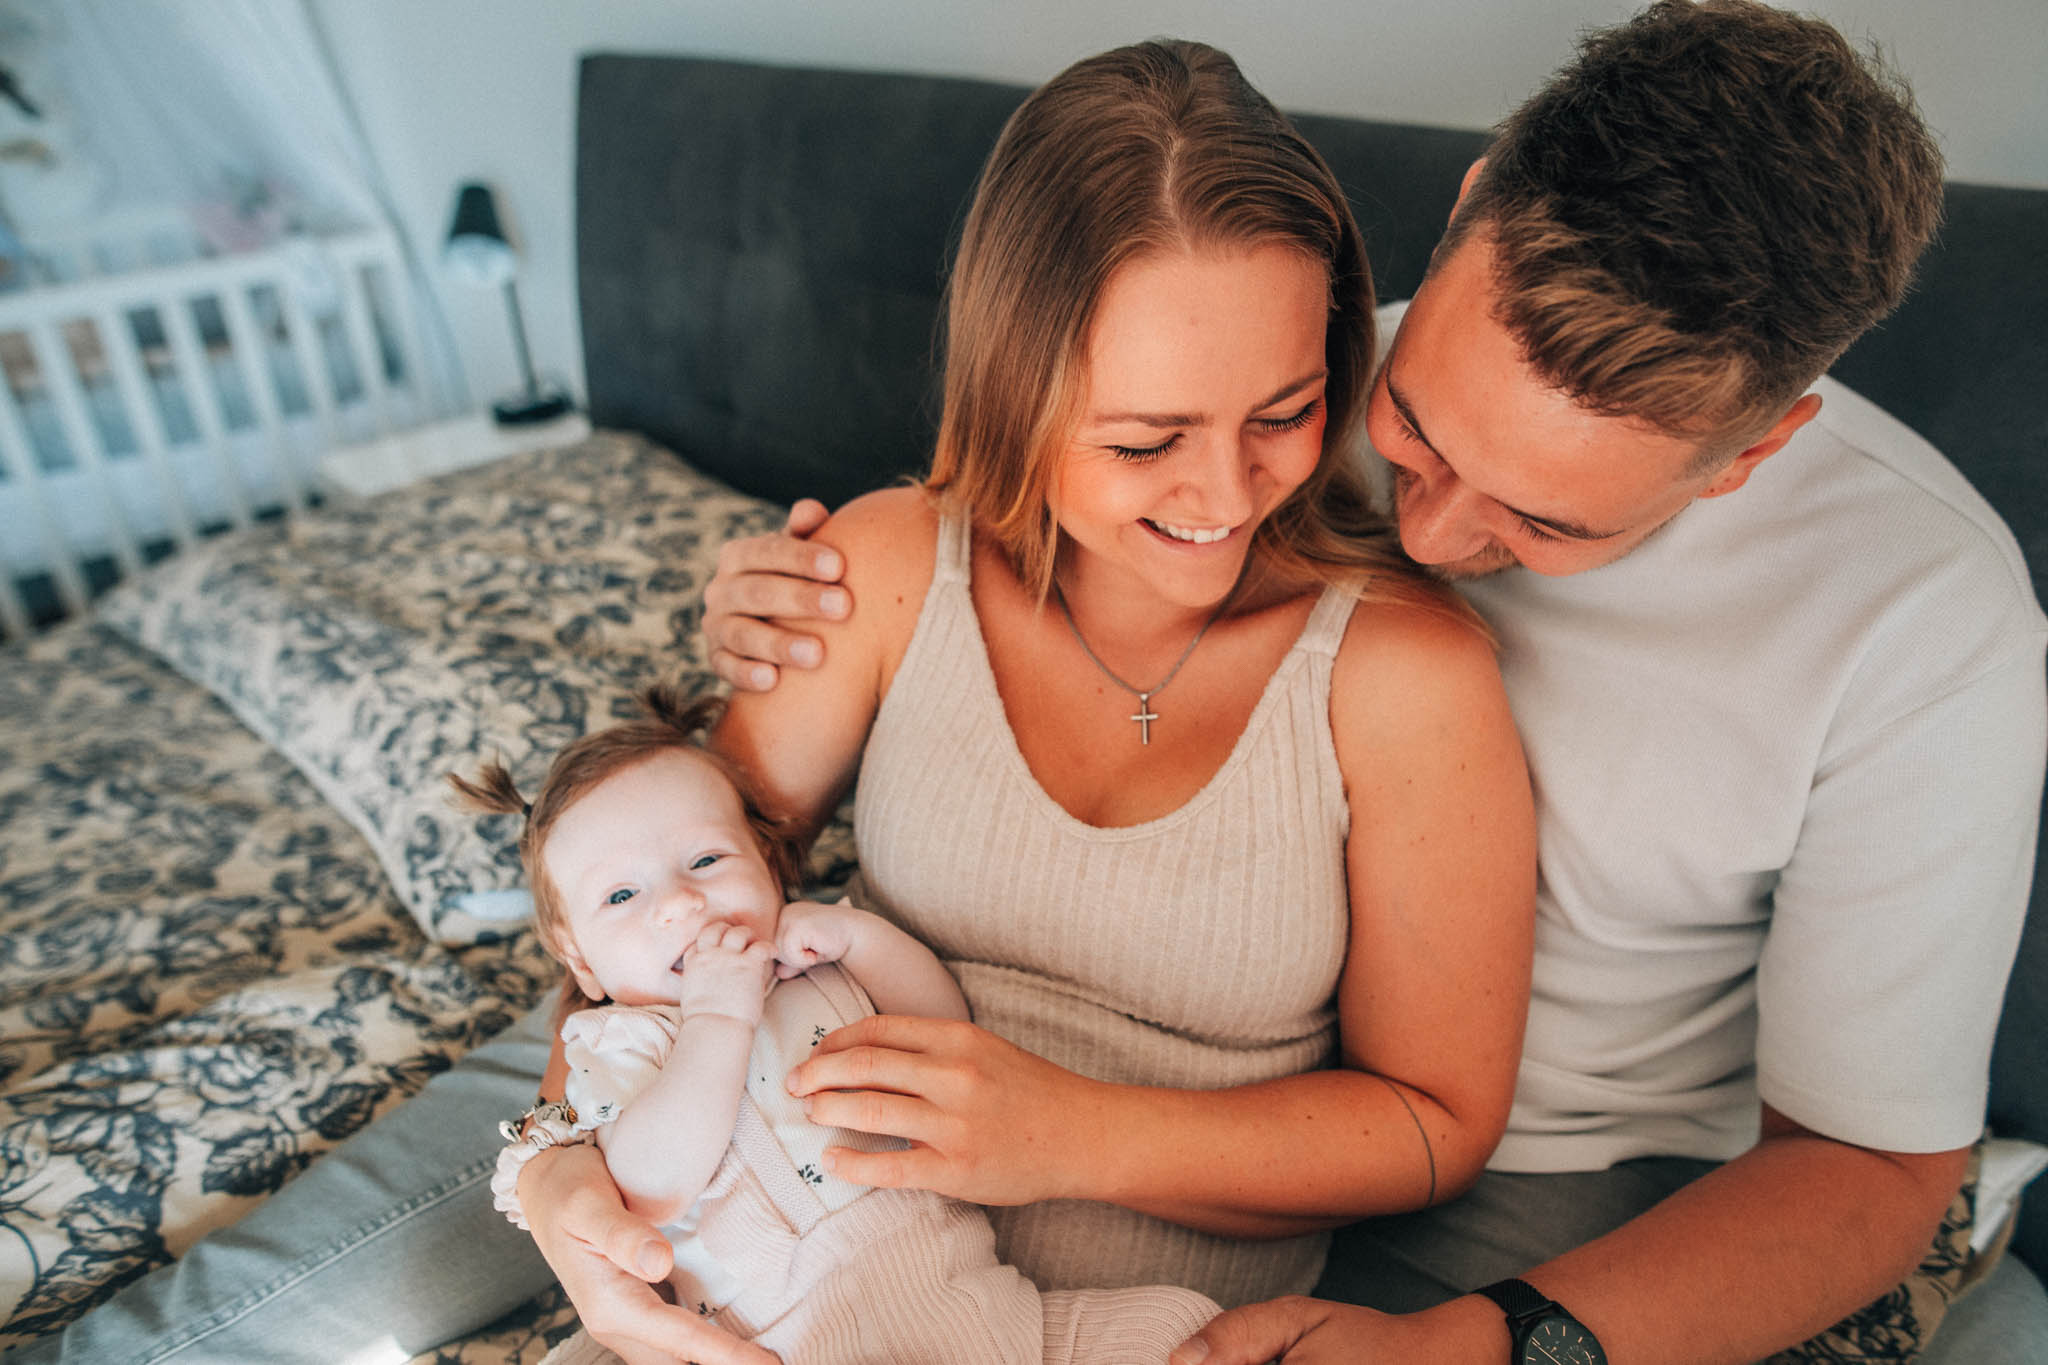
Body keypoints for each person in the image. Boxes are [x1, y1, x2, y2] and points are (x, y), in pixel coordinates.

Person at [11, 35, 1535, 1365]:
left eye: (1286, 412)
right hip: (741, 1210)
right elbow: (657, 923)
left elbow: (1432, 1125)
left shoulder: (1404, 674)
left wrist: (1064, 1133)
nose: (1223, 495)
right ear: (1013, 386)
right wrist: (553, 1175)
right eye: (1145, 440)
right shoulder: (890, 568)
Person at [707, 4, 2048, 1363]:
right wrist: (774, 597)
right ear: (1469, 205)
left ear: (1750, 453)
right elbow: (989, 507)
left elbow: (1871, 1166)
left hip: (1548, 1182)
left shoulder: (1922, 624)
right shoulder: (1265, 357)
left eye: (1548, 523)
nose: (1429, 539)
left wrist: (1488, 1345)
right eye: (1409, 426)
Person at [449, 684, 1220, 1364]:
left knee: (1182, 1330)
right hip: (783, 1338)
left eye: (708, 860)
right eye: (622, 896)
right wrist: (716, 1016)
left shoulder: (814, 964)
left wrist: (862, 939)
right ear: (580, 962)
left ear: (771, 867)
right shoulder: (619, 1045)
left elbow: (947, 1030)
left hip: (974, 1301)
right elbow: (648, 1188)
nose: (681, 901)